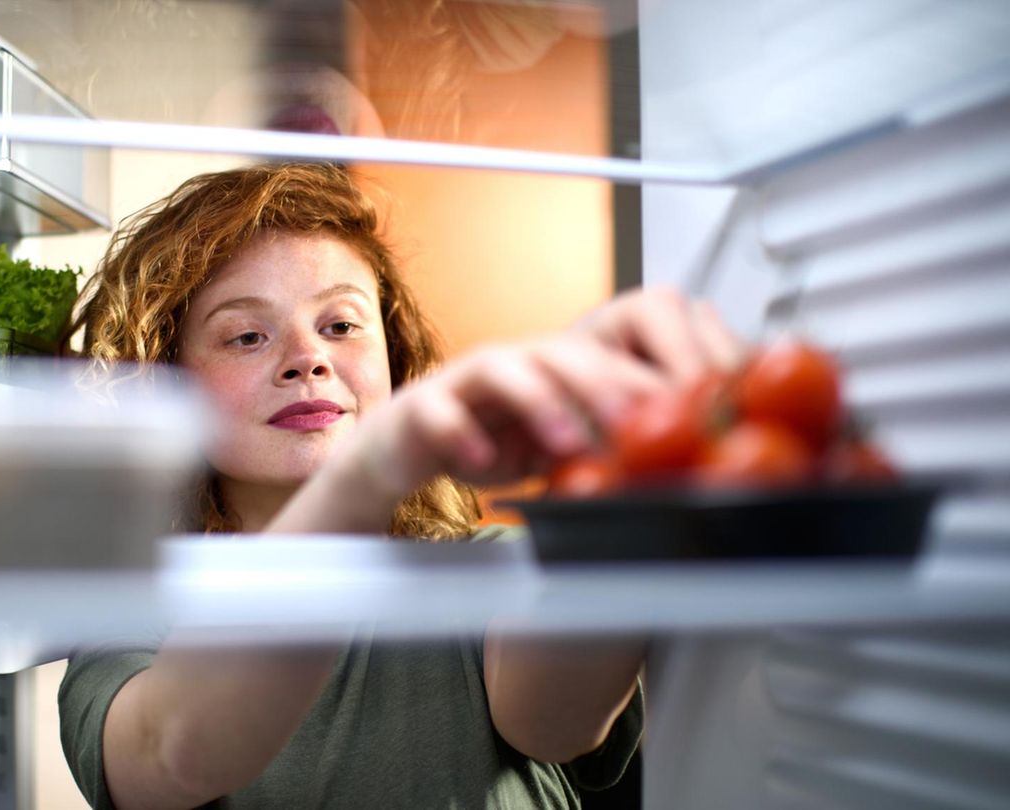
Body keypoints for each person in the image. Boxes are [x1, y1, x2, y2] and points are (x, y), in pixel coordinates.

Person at [58, 162, 742, 809]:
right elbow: (170, 752)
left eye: (340, 325)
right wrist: (376, 467)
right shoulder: (133, 613)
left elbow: (555, 724)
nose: (309, 360)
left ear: (395, 360)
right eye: (245, 337)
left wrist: (621, 453)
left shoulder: (486, 565)